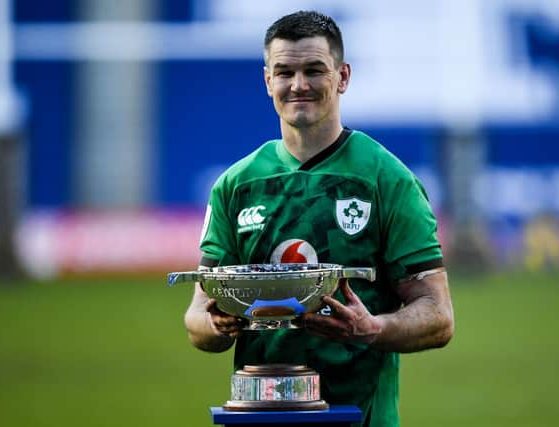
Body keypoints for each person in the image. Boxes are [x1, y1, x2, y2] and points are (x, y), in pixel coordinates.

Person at [184, 10, 454, 427]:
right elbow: (197, 318)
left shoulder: (387, 179)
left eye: (314, 70)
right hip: (259, 417)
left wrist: (372, 328)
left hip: (358, 417)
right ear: (267, 80)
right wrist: (219, 324)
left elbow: (438, 315)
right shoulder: (235, 185)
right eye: (284, 72)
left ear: (343, 76)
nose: (299, 85)